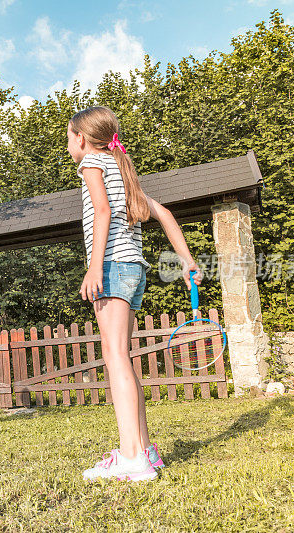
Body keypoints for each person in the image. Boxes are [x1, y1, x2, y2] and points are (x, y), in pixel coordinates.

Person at [66, 106, 202, 482]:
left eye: (68, 138)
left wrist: (94, 267)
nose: (68, 146)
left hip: (111, 268)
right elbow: (164, 213)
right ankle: (143, 451)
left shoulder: (92, 163)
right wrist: (186, 260)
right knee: (122, 358)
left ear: (81, 138)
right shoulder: (122, 169)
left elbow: (103, 212)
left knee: (115, 359)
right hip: (133, 270)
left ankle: (130, 458)